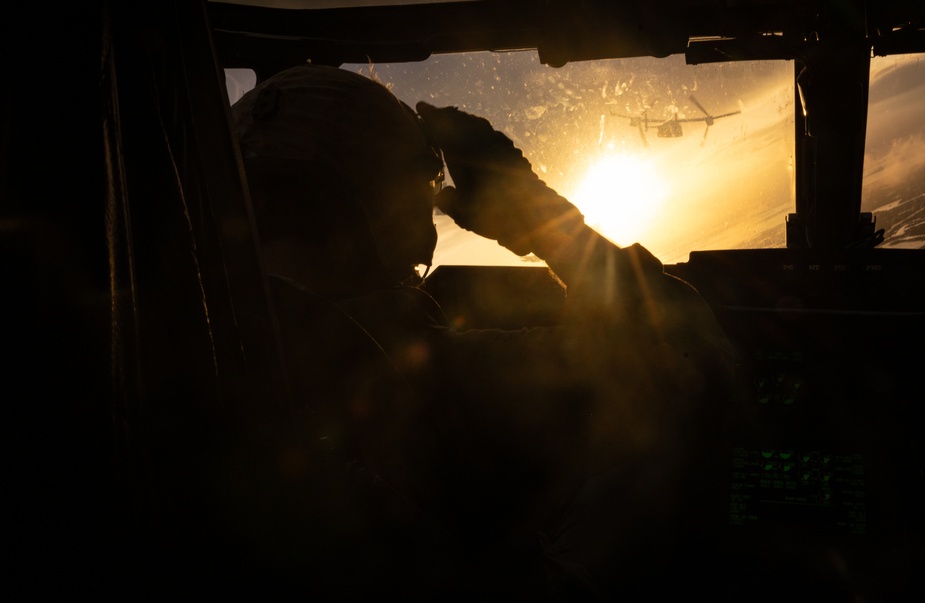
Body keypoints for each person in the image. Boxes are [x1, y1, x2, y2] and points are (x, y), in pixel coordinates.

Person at [231, 64, 735, 599]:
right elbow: (687, 355)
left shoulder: (195, 371)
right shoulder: (433, 381)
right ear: (394, 211)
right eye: (421, 189)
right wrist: (540, 219)